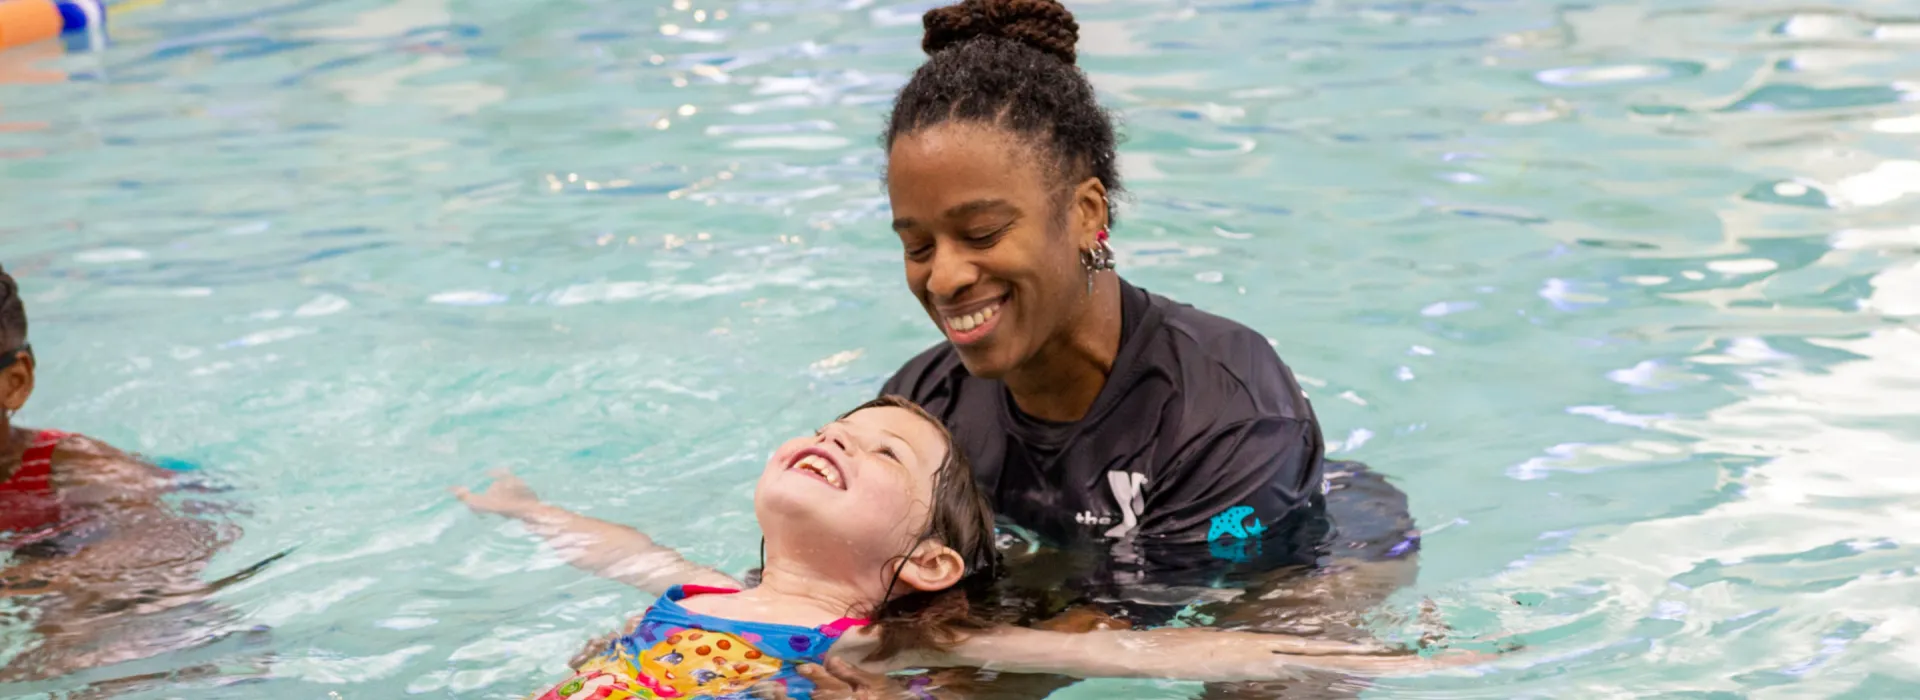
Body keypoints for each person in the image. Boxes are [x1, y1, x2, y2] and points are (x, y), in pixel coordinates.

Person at [478, 397, 1468, 700]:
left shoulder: (886, 643)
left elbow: (1141, 653)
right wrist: (527, 509)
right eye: (831, 430)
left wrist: (1371, 656)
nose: (836, 441)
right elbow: (622, 551)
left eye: (881, 453)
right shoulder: (697, 588)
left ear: (930, 563)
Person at [0, 264, 248, 682]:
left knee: (97, 632)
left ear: (14, 382)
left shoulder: (77, 468)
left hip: (139, 515)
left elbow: (170, 541)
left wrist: (24, 579)